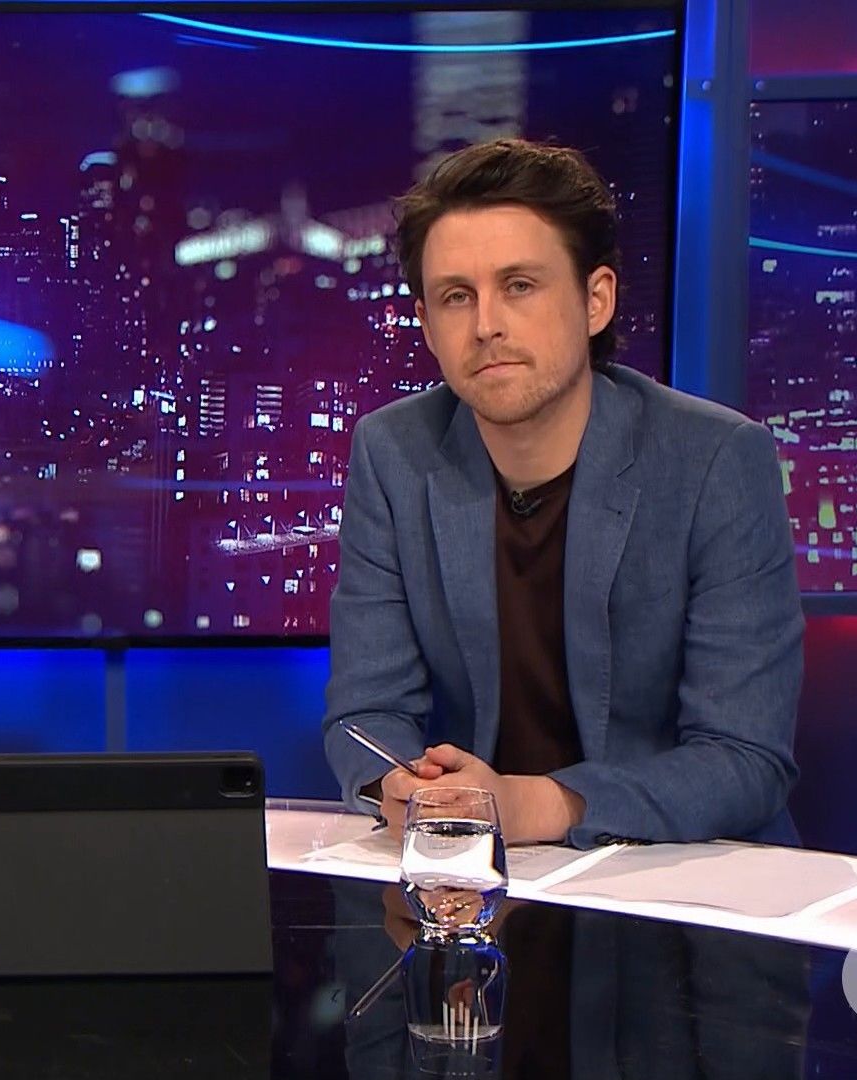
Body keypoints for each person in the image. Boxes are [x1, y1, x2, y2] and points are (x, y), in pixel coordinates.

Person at [322, 138, 803, 849]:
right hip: (473, 868)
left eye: (519, 286)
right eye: (456, 296)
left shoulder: (716, 460)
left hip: (684, 876)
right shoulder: (392, 452)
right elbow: (364, 713)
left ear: (595, 299)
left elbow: (744, 757)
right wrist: (393, 783)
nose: (486, 325)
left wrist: (539, 805)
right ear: (425, 324)